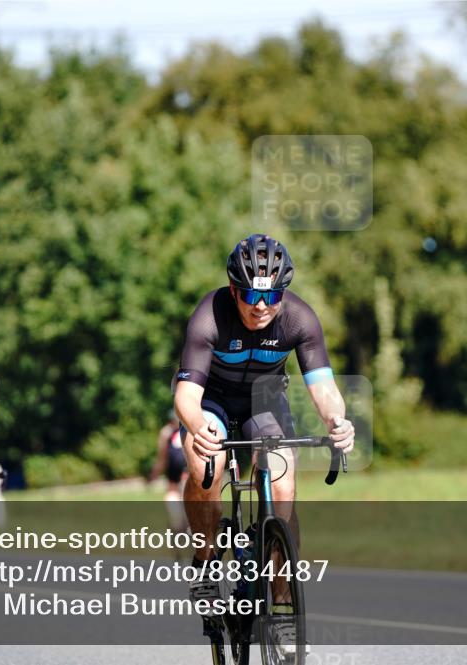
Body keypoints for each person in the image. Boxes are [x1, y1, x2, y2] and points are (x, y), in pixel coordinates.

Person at [174, 233, 355, 654]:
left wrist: (337, 420)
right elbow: (186, 396)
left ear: (283, 292)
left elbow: (323, 386)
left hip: (264, 401)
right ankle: (204, 563)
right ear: (234, 289)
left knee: (284, 486)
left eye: (272, 295)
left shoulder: (299, 319)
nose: (260, 306)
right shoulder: (210, 316)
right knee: (207, 467)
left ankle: (283, 606)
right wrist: (198, 428)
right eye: (250, 295)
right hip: (211, 399)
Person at [148, 410, 189, 548]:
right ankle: (184, 525)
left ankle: (179, 525)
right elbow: (162, 458)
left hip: (176, 469)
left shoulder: (166, 432)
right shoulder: (182, 429)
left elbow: (162, 458)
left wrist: (155, 472)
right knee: (181, 494)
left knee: (174, 495)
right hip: (183, 469)